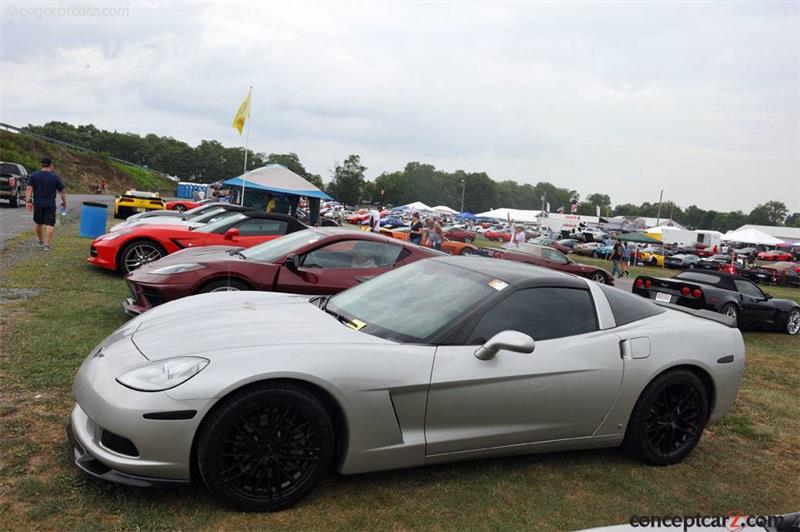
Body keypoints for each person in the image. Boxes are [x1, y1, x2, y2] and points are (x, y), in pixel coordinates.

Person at [25, 157, 67, 251]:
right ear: (51, 165)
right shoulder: (55, 177)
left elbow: (29, 189)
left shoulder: (34, 175)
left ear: (42, 164)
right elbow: (62, 191)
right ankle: (47, 245)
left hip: (38, 204)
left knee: (38, 223)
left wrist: (28, 201)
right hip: (50, 205)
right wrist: (64, 202)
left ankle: (40, 241)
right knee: (50, 224)